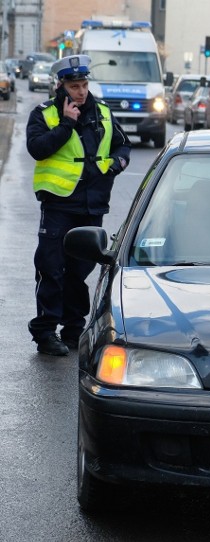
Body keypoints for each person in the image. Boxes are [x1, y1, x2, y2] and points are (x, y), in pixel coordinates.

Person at [26, 54, 131, 356]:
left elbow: (123, 144)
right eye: (74, 86)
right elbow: (37, 148)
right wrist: (66, 125)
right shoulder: (44, 114)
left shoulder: (102, 112)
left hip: (92, 205)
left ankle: (73, 330)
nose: (81, 91)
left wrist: (116, 164)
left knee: (79, 270)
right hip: (58, 204)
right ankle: (45, 332)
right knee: (50, 267)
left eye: (84, 84)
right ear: (61, 86)